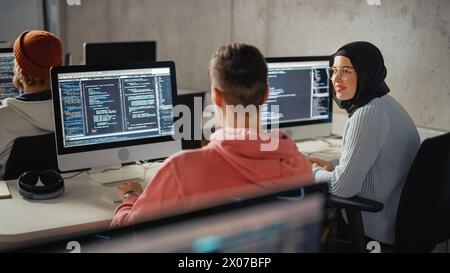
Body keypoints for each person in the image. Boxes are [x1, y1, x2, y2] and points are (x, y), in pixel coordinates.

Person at [111, 43, 313, 228]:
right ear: (267, 93)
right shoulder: (297, 163)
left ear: (216, 96)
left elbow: (126, 233)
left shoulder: (182, 169)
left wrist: (130, 197)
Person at [310, 41, 420, 247]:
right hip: (398, 217)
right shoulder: (386, 104)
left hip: (375, 228)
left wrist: (312, 172)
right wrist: (333, 165)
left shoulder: (367, 115)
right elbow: (378, 160)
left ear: (365, 72)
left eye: (346, 71)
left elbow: (343, 188)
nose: (335, 79)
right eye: (333, 70)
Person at [0, 30, 62, 178]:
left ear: (20, 71)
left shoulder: (3, 118)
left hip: (11, 198)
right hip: (64, 191)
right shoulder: (73, 111)